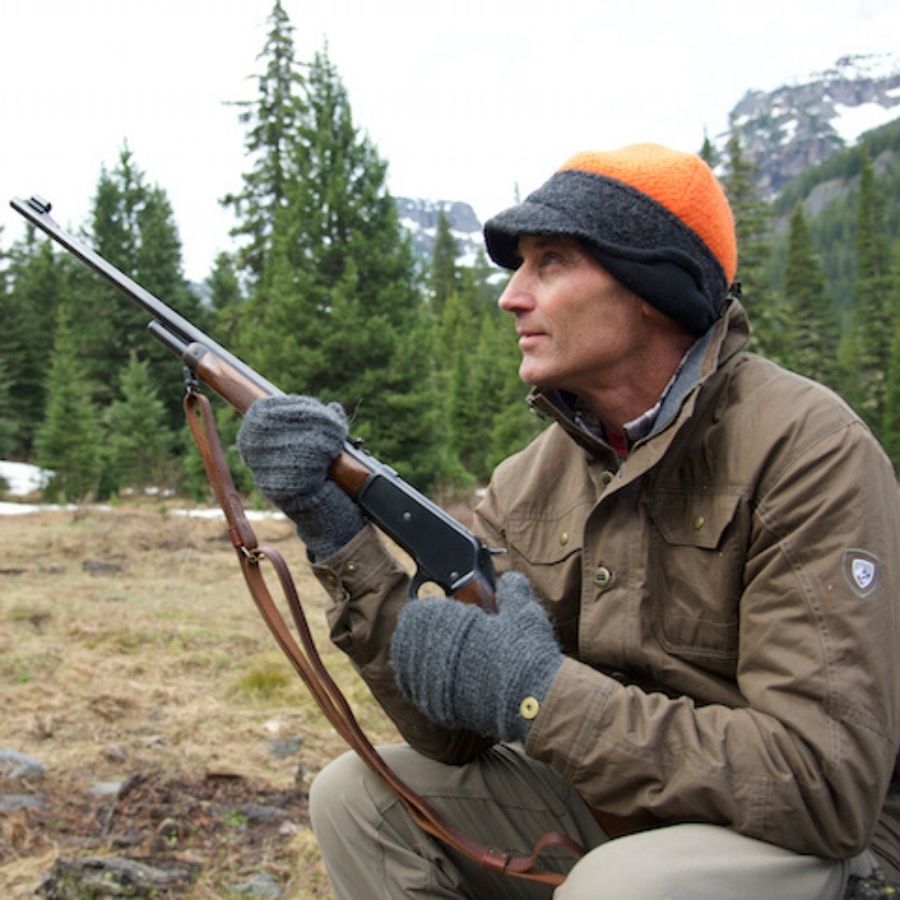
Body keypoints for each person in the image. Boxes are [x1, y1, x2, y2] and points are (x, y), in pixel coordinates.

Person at [236, 143, 900, 899]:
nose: (511, 296)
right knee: (358, 798)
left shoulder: (807, 449)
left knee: (622, 886)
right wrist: (339, 535)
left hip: (814, 846)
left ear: (650, 285)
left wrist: (537, 694)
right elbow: (450, 735)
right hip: (621, 814)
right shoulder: (529, 481)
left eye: (549, 263)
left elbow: (825, 783)